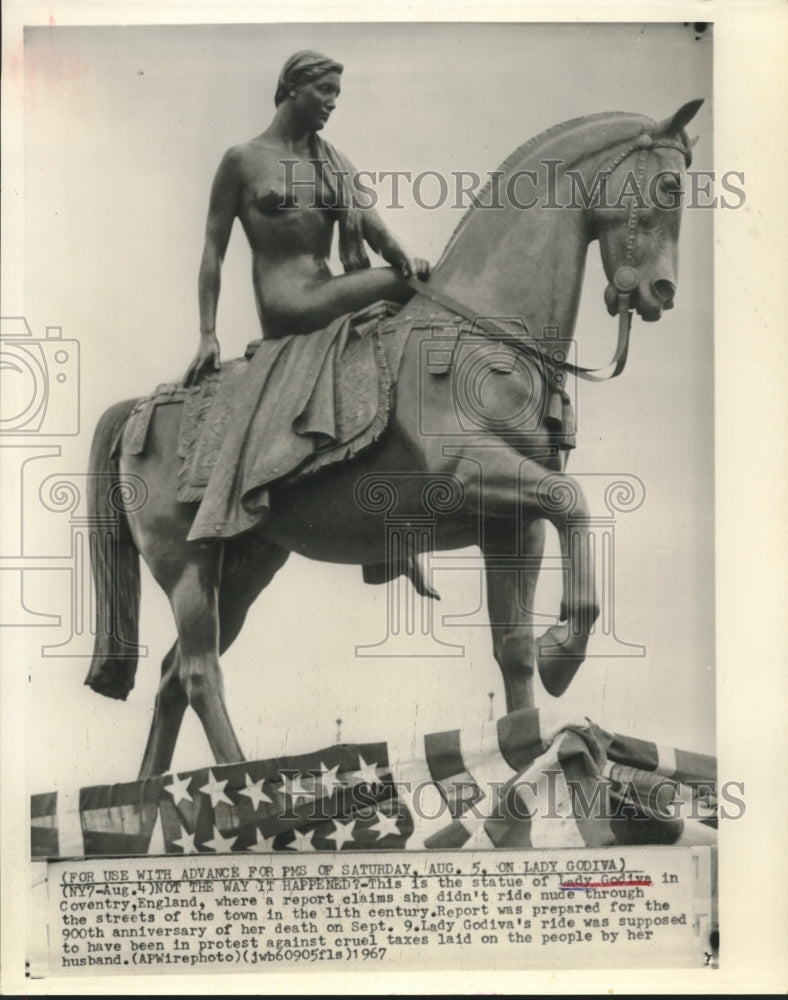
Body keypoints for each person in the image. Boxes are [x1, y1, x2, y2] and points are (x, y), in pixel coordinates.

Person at [184, 50, 430, 386]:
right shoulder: (242, 160)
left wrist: (406, 260)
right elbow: (214, 250)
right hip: (286, 302)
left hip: (326, 289)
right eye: (325, 89)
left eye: (337, 94)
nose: (332, 102)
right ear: (293, 86)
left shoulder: (333, 162)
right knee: (408, 287)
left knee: (420, 280)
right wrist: (207, 334)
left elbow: (377, 233)